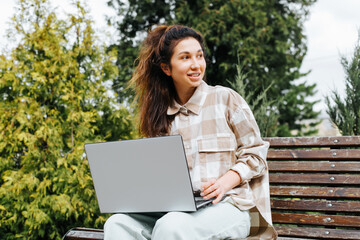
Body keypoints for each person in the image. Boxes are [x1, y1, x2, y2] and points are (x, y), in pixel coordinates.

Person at [104, 25, 277, 240]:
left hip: (231, 206)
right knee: (117, 223)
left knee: (172, 226)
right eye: (185, 58)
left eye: (199, 56)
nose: (196, 65)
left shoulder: (225, 99)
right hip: (180, 211)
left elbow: (256, 153)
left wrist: (225, 182)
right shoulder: (161, 117)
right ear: (167, 68)